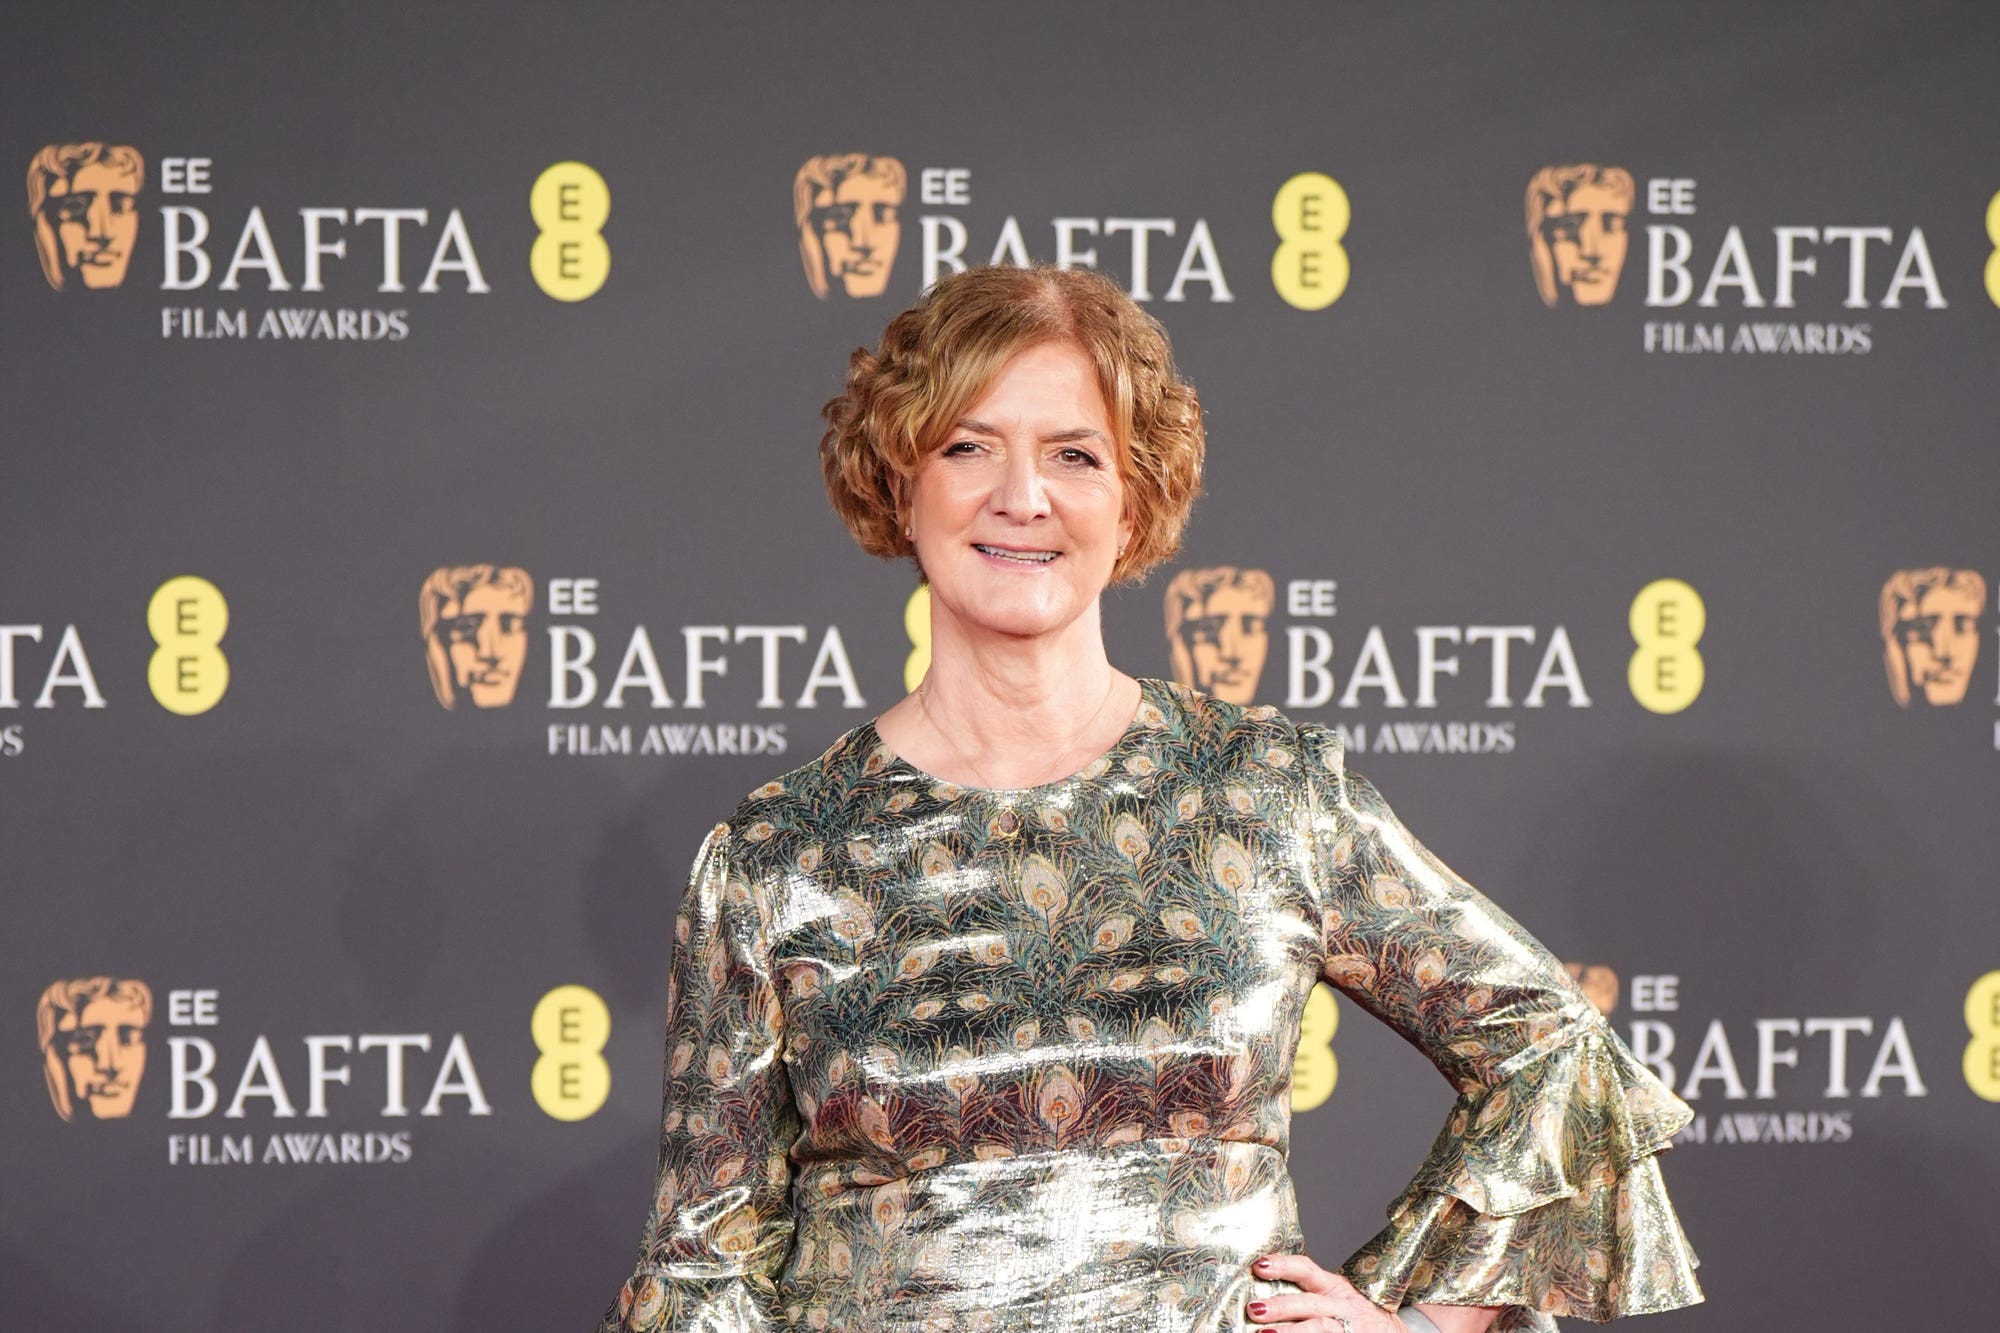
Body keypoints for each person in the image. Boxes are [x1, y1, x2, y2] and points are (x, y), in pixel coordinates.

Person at [597, 266, 1701, 1333]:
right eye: (967, 445)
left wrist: (1414, 1323)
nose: (1020, 497)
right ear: (896, 479)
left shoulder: (1263, 793)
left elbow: (1546, 1047)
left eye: (1072, 454)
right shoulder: (776, 855)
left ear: (1133, 499)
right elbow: (703, 1261)